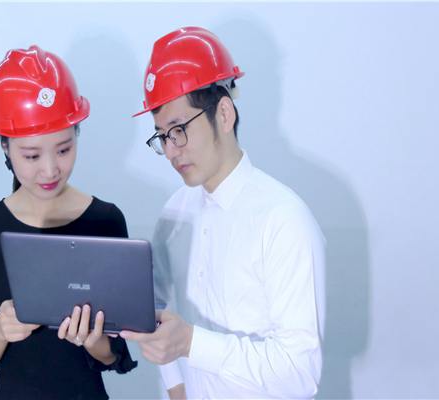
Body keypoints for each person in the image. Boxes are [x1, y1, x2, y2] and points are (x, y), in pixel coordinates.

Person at [120, 27, 325, 399]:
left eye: (179, 129)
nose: (171, 150)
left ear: (225, 114)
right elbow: (158, 314)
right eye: (162, 136)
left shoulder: (283, 219)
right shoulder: (175, 214)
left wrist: (192, 343)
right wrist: (176, 388)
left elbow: (300, 374)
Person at [0, 45, 137, 399]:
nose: (51, 169)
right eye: (32, 156)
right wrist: (0, 330)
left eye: (64, 149)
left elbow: (114, 354)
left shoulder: (105, 222)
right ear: (6, 147)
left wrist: (92, 338)